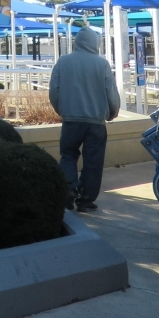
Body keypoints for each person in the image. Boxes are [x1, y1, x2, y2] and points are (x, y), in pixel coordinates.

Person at [49, 26, 120, 212]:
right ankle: (86, 200)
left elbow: (53, 91)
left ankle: (67, 190)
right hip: (96, 122)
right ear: (95, 43)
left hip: (71, 120)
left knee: (68, 155)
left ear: (76, 42)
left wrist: (62, 111)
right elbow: (110, 93)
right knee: (93, 162)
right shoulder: (101, 64)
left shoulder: (63, 62)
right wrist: (112, 112)